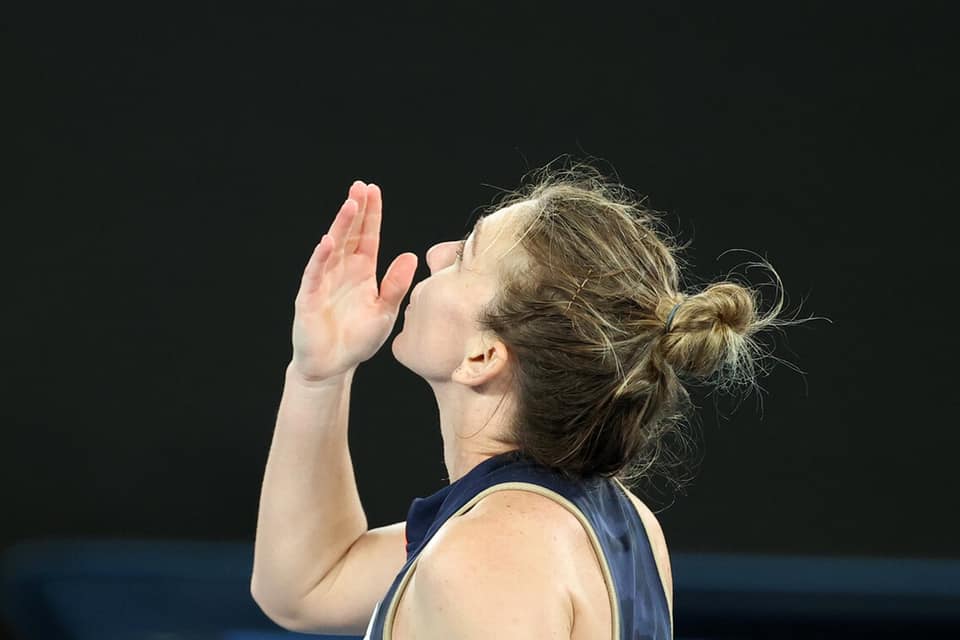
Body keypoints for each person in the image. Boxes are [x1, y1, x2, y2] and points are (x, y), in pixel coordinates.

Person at [250, 160, 799, 639]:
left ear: (483, 356)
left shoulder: (485, 558)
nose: (436, 253)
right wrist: (319, 376)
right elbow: (307, 587)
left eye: (464, 257)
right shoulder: (619, 521)